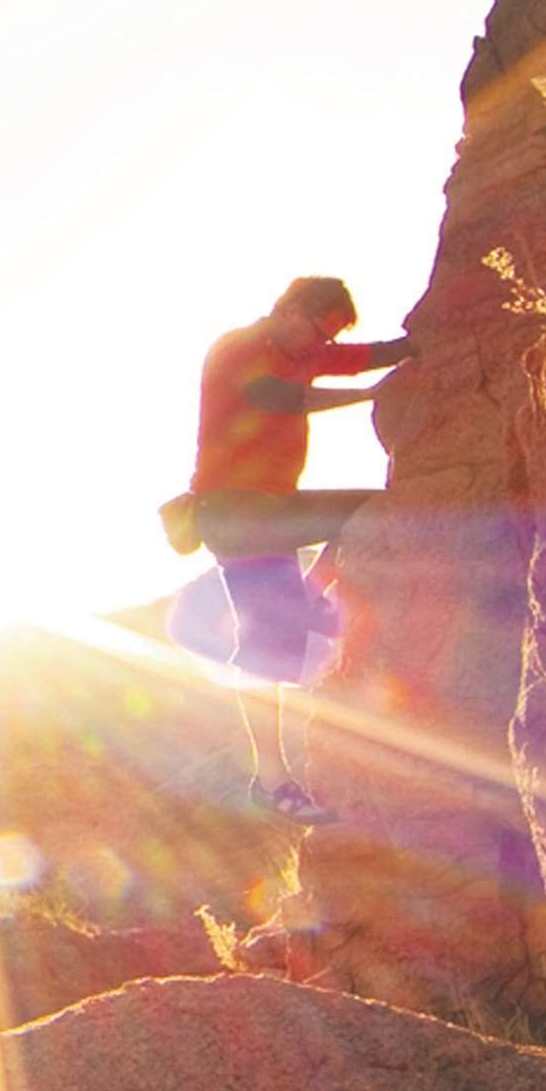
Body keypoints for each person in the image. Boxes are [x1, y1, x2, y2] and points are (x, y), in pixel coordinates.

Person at [165, 277, 409, 816]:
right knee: (262, 653)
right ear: (290, 309)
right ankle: (273, 782)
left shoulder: (304, 351)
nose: (317, 347)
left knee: (365, 511)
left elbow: (368, 354)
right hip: (234, 515)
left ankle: (309, 597)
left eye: (327, 339)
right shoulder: (240, 348)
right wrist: (371, 395)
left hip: (270, 513)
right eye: (315, 332)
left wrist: (422, 344)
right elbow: (276, 398)